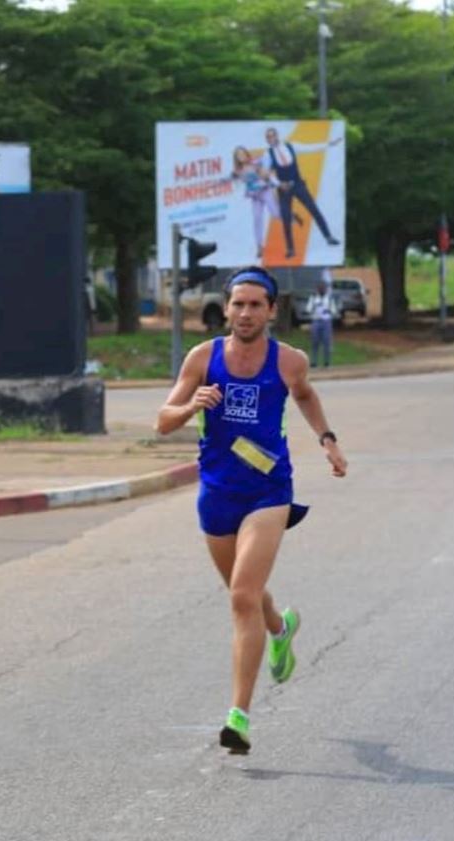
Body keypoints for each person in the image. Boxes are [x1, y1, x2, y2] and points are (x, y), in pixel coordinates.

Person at [156, 266, 348, 755]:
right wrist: (189, 407)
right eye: (237, 304)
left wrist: (327, 440)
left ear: (271, 311)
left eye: (255, 305)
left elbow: (304, 395)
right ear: (226, 308)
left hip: (268, 491)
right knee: (249, 593)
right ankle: (281, 629)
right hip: (217, 491)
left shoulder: (289, 361)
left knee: (242, 595)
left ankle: (238, 716)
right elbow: (162, 421)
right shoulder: (204, 358)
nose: (245, 313)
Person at [262, 127, 341, 258]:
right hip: (283, 188)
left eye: (272, 136)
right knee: (286, 218)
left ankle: (328, 236)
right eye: (268, 137)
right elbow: (267, 173)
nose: (270, 139)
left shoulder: (290, 146)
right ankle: (290, 249)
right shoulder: (267, 154)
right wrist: (279, 184)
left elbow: (310, 148)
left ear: (277, 136)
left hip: (297, 183)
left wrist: (329, 144)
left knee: (314, 209)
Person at [230, 146, 280, 261]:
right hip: (254, 196)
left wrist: (276, 184)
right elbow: (234, 182)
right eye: (238, 155)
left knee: (276, 214)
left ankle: (290, 216)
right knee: (257, 219)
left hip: (265, 191)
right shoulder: (238, 170)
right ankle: (259, 247)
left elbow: (267, 173)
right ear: (236, 158)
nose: (241, 156)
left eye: (242, 154)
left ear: (246, 154)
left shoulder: (255, 163)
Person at [304, 279, 340, 368]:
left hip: (326, 321)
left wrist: (327, 310)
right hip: (316, 321)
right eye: (320, 288)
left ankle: (327, 362)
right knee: (314, 342)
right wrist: (315, 309)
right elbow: (308, 309)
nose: (322, 289)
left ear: (326, 288)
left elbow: (334, 311)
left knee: (327, 342)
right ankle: (314, 362)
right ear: (317, 289)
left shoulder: (330, 298)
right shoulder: (313, 298)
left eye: (323, 288)